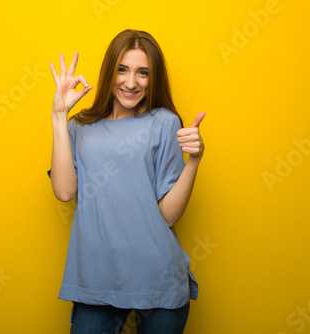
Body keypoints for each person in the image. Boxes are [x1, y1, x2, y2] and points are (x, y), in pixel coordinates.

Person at [48, 29, 205, 334]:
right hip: (95, 279)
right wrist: (58, 115)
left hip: (158, 278)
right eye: (123, 69)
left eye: (142, 73)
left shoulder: (165, 122)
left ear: (153, 77)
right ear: (110, 71)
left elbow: (168, 215)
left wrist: (195, 161)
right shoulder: (80, 127)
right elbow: (65, 191)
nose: (131, 82)